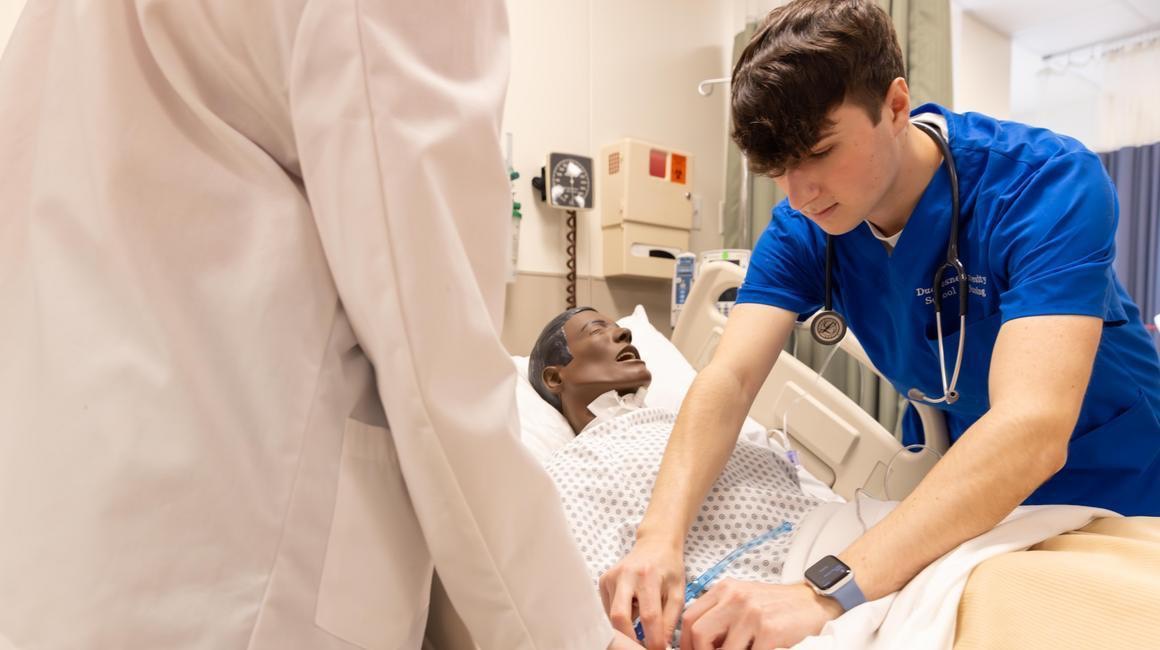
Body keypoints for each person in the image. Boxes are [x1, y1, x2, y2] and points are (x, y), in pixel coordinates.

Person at [0, 2, 634, 648]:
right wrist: (578, 638)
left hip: (60, 536)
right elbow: (436, 354)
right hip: (232, 562)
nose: (622, 336)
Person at [600, 0, 1160, 648]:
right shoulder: (807, 229)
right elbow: (728, 379)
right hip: (978, 506)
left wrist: (823, 591)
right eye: (780, 169)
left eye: (819, 152)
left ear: (895, 106)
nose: (800, 194)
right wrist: (658, 541)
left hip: (1120, 493)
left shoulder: (1042, 185)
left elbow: (1031, 427)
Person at [530, 307, 831, 648]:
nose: (624, 334)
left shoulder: (713, 428)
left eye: (620, 328)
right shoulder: (570, 473)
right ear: (555, 378)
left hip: (835, 552)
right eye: (597, 329)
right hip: (771, 600)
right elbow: (585, 603)